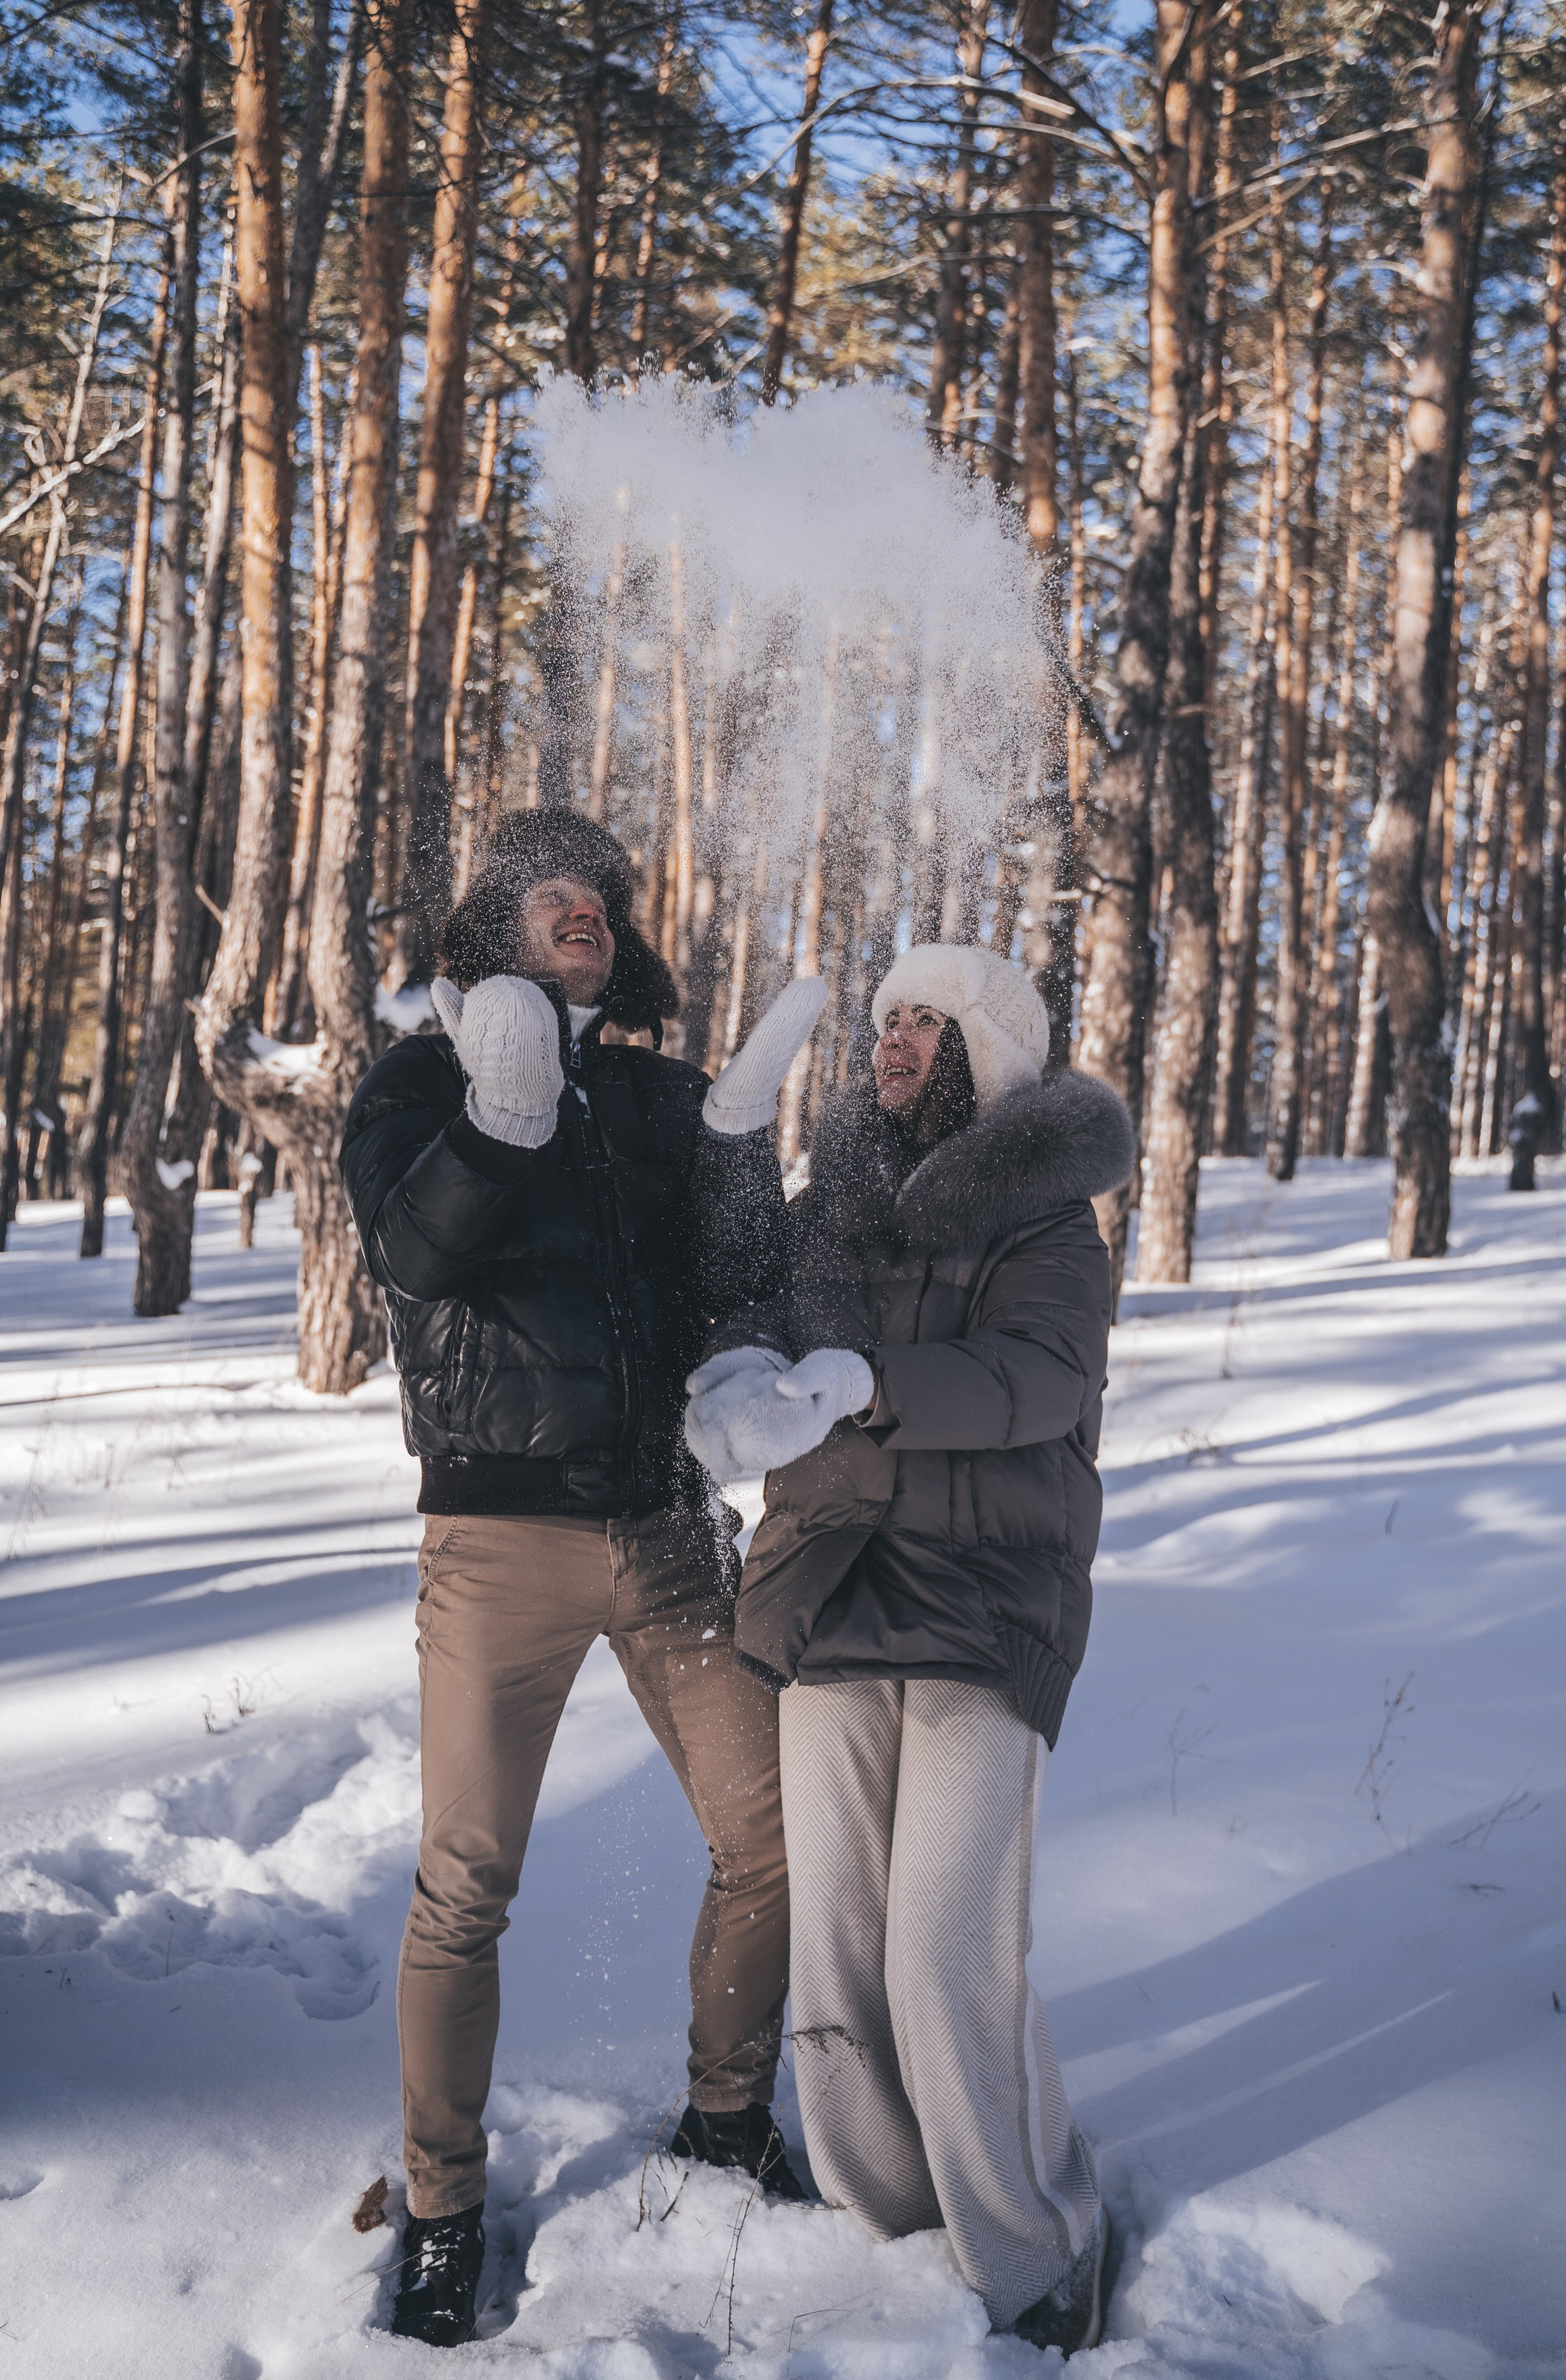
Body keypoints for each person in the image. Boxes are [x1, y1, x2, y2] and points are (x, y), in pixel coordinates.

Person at [341, 808, 827, 2348]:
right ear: (488, 932)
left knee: (775, 1839)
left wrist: (740, 1142)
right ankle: (439, 2207)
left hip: (675, 1532)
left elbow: (738, 1282)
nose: (586, 912)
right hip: (500, 1542)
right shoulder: (415, 1081)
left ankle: (726, 2121)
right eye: (550, 895)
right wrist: (495, 1119)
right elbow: (414, 1261)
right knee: (462, 1888)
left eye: (601, 898)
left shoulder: (650, 1094)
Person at [685, 942, 1133, 2356]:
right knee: (839, 1948)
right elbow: (757, 1299)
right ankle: (885, 2222)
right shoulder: (843, 1202)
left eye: (926, 1025)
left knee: (948, 1949)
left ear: (987, 1054)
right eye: (887, 1022)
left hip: (983, 1607)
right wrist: (737, 1384)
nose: (892, 1044)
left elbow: (1035, 1379)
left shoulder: (1049, 1225)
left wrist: (867, 1383)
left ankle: (1038, 2241)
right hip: (829, 1591)